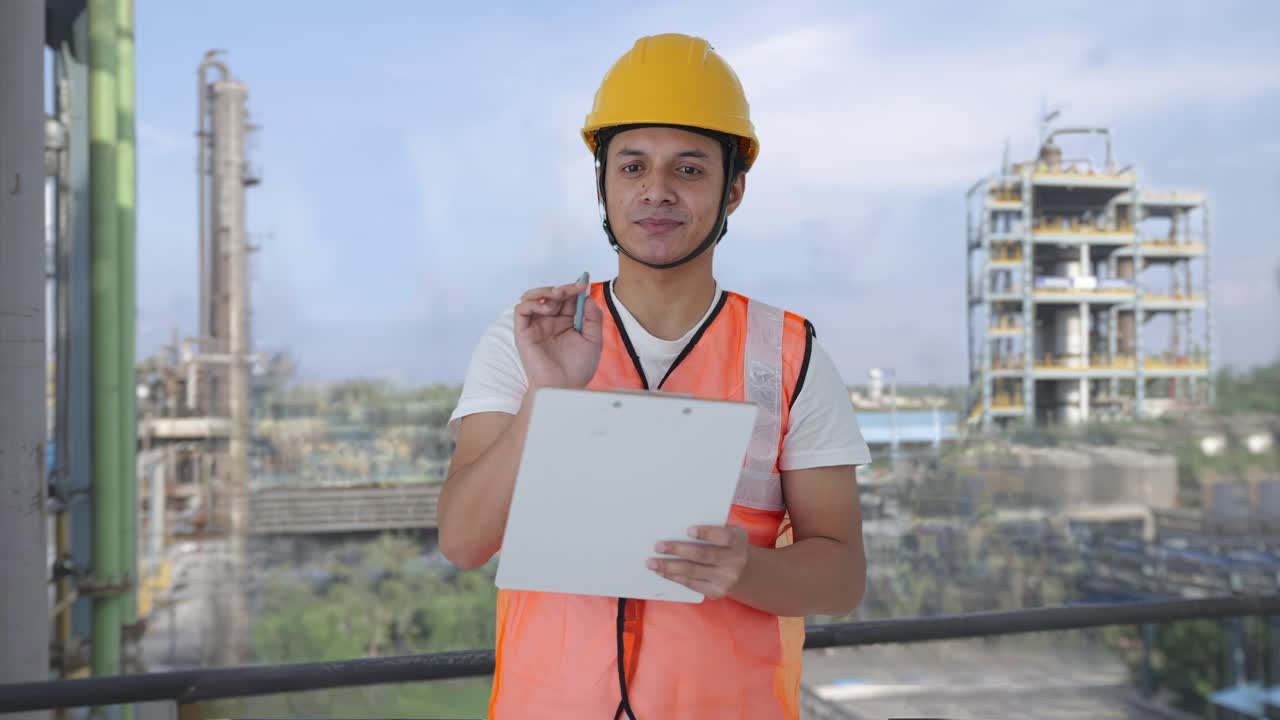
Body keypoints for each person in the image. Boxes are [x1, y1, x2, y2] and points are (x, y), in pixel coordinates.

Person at [440, 32, 871, 720]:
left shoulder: (789, 354)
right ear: (604, 185)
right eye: (633, 167)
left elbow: (843, 574)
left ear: (733, 189)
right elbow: (463, 542)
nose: (657, 192)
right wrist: (546, 398)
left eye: (690, 170)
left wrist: (748, 571)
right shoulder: (525, 338)